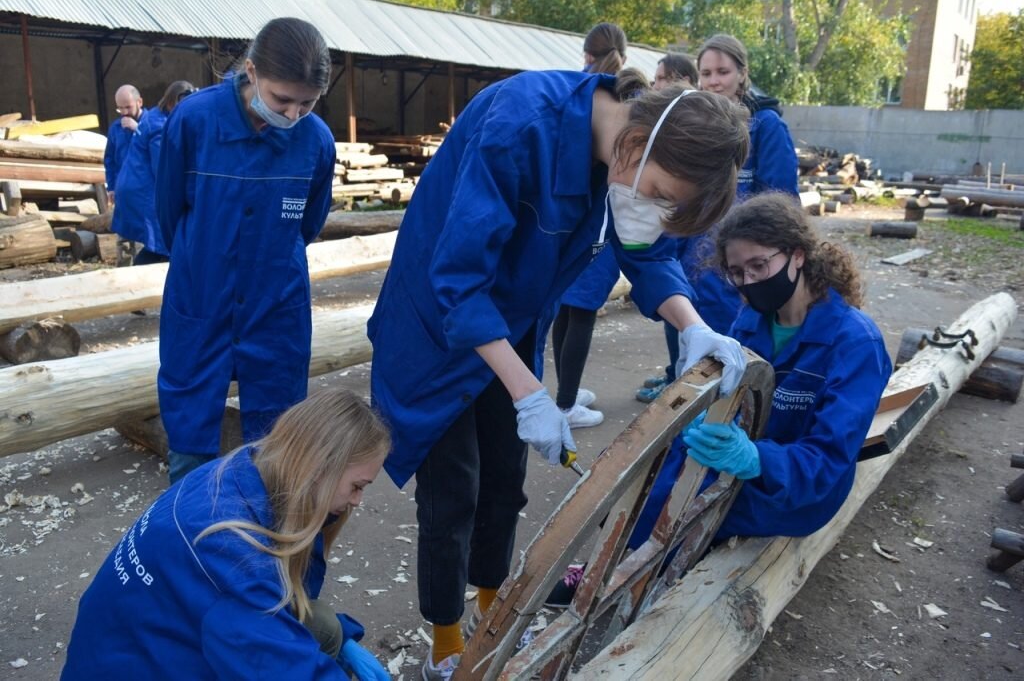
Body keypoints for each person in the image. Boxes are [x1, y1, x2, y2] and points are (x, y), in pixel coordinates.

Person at [368, 65, 751, 678]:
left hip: (512, 324)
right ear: (642, 139)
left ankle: (495, 615)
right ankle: (445, 644)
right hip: (437, 328)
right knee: (452, 493)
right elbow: (459, 281)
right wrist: (529, 392)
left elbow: (643, 248)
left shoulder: (623, 156)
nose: (651, 209)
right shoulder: (522, 125)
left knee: (505, 479)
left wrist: (693, 325)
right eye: (657, 193)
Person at [548, 192, 892, 607]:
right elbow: (726, 396)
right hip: (731, 456)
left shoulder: (855, 343)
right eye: (737, 273)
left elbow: (828, 462)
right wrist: (698, 416)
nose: (748, 283)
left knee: (674, 504)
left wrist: (758, 460)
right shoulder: (751, 318)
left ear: (797, 256)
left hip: (793, 487)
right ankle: (620, 562)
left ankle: (615, 577)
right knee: (629, 476)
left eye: (759, 266)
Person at [62, 388, 391, 680]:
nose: (357, 501)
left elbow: (277, 599)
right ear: (319, 469)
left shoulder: (241, 472)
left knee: (323, 626)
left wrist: (344, 638)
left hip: (132, 646)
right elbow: (278, 668)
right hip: (141, 666)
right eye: (357, 486)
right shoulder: (233, 557)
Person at [156, 18, 337, 485]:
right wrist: (206, 261)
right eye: (282, 99)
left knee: (276, 446)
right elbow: (168, 213)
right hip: (201, 297)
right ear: (252, 71)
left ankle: (261, 544)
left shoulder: (316, 141)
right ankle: (186, 538)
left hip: (276, 305)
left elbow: (308, 225)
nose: (294, 113)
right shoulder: (194, 121)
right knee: (190, 444)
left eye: (308, 102)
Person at [636, 33, 799, 403]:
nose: (713, 81)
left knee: (736, 357)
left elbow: (781, 203)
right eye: (706, 73)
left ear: (743, 74)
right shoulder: (694, 125)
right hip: (689, 259)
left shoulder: (766, 126)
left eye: (722, 72)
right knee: (686, 348)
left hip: (738, 267)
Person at [547, 21, 629, 429]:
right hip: (597, 221)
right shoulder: (619, 94)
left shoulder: (575, 90)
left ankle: (566, 391)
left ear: (586, 54)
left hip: (568, 222)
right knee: (581, 313)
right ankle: (565, 404)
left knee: (567, 309)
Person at [111, 80, 196, 265]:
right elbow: (163, 169)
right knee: (160, 242)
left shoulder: (154, 117)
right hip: (144, 190)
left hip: (133, 186)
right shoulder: (159, 126)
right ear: (173, 102)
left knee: (152, 243)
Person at [103, 84, 146, 205]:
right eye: (120, 108)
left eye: (128, 107)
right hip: (123, 191)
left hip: (146, 192)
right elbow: (109, 159)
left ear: (140, 102)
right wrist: (111, 187)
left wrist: (138, 129)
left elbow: (159, 152)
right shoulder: (116, 128)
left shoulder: (153, 123)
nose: (124, 112)